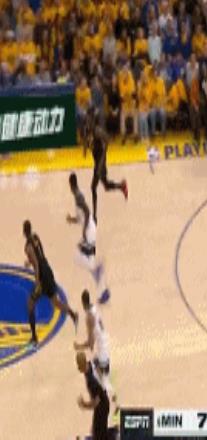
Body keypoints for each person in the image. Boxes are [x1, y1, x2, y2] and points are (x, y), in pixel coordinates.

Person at [23, 220, 78, 348]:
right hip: (48, 270)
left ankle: (34, 339)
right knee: (55, 302)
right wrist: (30, 262)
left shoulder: (27, 247)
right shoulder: (36, 237)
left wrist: (37, 282)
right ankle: (73, 315)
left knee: (30, 304)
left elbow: (36, 264)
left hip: (42, 277)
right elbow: (39, 256)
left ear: (24, 232)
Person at [67, 173, 110, 304]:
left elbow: (86, 211)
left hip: (89, 231)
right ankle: (104, 293)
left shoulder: (78, 196)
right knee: (87, 263)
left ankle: (98, 270)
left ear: (70, 184)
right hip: (90, 230)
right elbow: (81, 216)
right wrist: (71, 220)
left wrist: (84, 229)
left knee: (78, 257)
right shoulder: (77, 195)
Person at [85, 109, 128, 224]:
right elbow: (87, 141)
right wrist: (86, 147)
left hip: (100, 163)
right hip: (97, 161)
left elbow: (107, 140)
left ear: (93, 120)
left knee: (93, 188)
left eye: (89, 119)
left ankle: (94, 216)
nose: (88, 121)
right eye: (87, 119)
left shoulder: (97, 131)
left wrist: (102, 160)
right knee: (106, 186)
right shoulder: (88, 130)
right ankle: (122, 186)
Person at [74, 290, 116, 405]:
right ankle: (113, 398)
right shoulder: (94, 308)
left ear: (82, 303)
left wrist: (78, 346)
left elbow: (90, 343)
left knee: (103, 380)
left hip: (102, 350)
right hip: (104, 342)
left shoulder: (89, 317)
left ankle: (114, 403)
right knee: (101, 374)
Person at [76, 351, 110, 440]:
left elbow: (96, 402)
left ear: (80, 367)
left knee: (99, 436)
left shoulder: (91, 381)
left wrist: (84, 404)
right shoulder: (91, 363)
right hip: (104, 399)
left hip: (102, 407)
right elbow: (98, 364)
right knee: (97, 431)